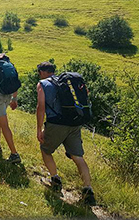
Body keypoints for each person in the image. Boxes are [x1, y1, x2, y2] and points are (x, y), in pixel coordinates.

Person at [36, 61, 96, 205]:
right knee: (77, 157)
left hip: (56, 123)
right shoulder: (68, 83)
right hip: (75, 123)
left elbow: (41, 107)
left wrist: (39, 128)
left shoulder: (43, 84)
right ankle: (88, 190)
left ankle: (55, 179)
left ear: (42, 72)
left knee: (45, 149)